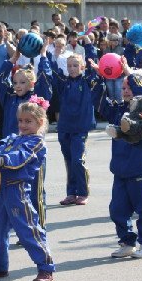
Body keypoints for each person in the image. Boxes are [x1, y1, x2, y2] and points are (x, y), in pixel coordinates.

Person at [0, 97, 54, 281]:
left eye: (28, 121)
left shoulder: (37, 142)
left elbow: (20, 157)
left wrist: (0, 161)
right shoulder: (13, 138)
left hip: (17, 190)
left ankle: (45, 267)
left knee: (28, 228)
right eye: (20, 120)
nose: (23, 125)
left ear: (40, 122)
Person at [101, 61, 142, 259]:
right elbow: (99, 101)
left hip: (140, 167)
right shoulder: (118, 109)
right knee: (117, 209)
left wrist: (130, 74)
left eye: (129, 87)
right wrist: (99, 76)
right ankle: (127, 242)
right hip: (120, 168)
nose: (125, 91)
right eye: (123, 87)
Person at [0, 48, 52, 222]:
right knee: (15, 192)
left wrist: (43, 56)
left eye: (22, 82)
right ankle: (22, 225)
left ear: (31, 84)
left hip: (31, 152)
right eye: (15, 82)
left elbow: (45, 79)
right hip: (12, 153)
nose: (17, 86)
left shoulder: (35, 100)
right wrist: (12, 60)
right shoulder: (9, 98)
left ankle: (38, 225)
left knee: (35, 191)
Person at [52, 51, 102, 208]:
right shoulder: (64, 82)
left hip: (80, 128)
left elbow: (97, 78)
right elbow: (52, 70)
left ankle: (83, 192)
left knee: (77, 160)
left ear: (82, 67)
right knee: (69, 161)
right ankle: (71, 193)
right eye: (69, 66)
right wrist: (46, 53)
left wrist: (90, 52)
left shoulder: (87, 81)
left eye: (75, 65)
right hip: (64, 127)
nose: (72, 68)